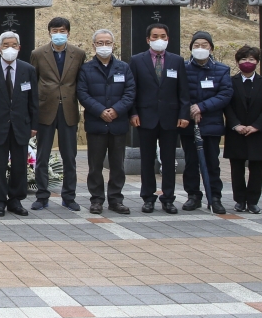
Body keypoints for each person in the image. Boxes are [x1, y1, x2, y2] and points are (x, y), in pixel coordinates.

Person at [129, 23, 190, 214]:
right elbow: (132, 90)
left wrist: (183, 114)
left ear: (168, 39)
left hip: (170, 118)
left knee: (169, 159)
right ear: (148, 39)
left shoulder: (177, 61)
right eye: (155, 36)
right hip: (145, 117)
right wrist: (133, 112)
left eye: (162, 36)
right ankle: (148, 197)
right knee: (146, 160)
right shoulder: (137, 60)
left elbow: (183, 91)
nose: (159, 40)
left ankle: (168, 198)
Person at [0, 31, 38, 216]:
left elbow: (34, 100)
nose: (10, 48)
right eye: (6, 45)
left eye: (13, 45)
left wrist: (34, 125)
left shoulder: (28, 70)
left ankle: (15, 200)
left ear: (19, 48)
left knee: (20, 165)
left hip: (21, 126)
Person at [76, 30, 136, 214]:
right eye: (100, 42)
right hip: (96, 123)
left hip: (118, 124)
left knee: (118, 164)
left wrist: (116, 110)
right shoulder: (86, 68)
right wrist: (100, 111)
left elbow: (130, 92)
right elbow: (82, 93)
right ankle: (96, 199)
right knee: (95, 165)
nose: (104, 46)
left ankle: (116, 199)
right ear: (93, 45)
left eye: (107, 42)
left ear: (113, 45)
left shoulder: (123, 67)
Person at [29, 17, 85, 211]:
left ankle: (69, 196)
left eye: (62, 30)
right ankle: (42, 196)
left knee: (69, 156)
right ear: (49, 32)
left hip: (69, 109)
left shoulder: (78, 54)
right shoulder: (38, 54)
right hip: (46, 109)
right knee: (42, 156)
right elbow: (33, 81)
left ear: (68, 32)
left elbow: (80, 81)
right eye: (55, 30)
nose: (58, 34)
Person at [181, 31, 233, 214]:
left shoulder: (221, 69)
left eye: (204, 45)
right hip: (188, 123)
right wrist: (189, 109)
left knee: (212, 162)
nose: (200, 49)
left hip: (211, 123)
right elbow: (177, 93)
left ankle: (215, 197)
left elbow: (225, 94)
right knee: (190, 162)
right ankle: (193, 195)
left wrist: (202, 107)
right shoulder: (183, 68)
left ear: (211, 48)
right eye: (196, 45)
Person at [223, 46, 262, 214]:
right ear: (237, 62)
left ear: (257, 62)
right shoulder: (230, 81)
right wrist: (236, 124)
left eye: (251, 59)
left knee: (256, 168)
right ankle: (239, 200)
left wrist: (257, 126)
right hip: (236, 131)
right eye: (244, 59)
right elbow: (227, 106)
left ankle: (253, 201)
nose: (247, 62)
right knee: (236, 168)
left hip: (258, 132)